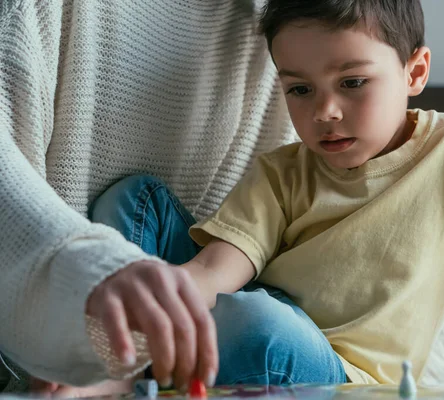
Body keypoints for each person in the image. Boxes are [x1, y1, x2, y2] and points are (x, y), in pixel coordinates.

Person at [80, 0, 444, 394]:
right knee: (134, 200)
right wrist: (132, 324)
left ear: (415, 72)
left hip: (336, 373)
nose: (325, 111)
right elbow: (214, 273)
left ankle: (158, 361)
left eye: (353, 82)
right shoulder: (282, 172)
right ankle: (137, 359)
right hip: (240, 317)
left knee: (257, 323)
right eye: (300, 90)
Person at [0, 0, 296, 394]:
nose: (327, 111)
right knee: (136, 200)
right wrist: (86, 265)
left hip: (241, 352)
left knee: (265, 328)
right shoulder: (37, 11)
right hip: (55, 354)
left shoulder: (293, 28)